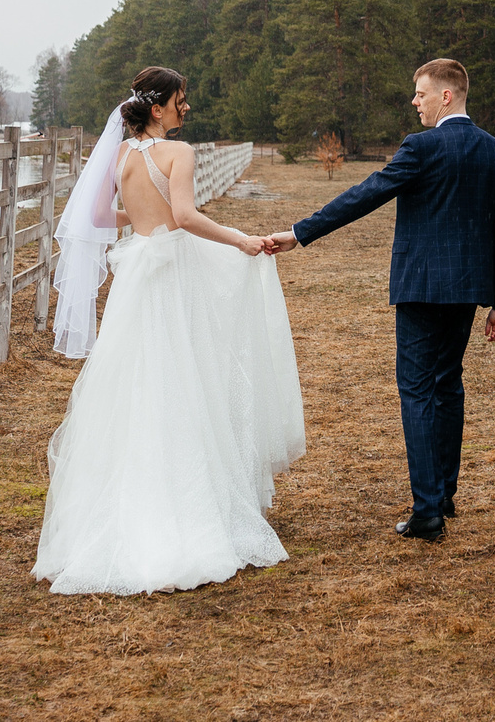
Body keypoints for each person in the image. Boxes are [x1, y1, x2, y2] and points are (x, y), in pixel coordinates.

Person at [32, 67, 304, 595]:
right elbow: (184, 216)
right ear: (158, 109)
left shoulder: (118, 155)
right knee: (183, 375)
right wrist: (240, 239)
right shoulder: (178, 153)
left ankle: (122, 510)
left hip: (136, 272)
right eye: (182, 100)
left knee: (135, 381)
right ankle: (188, 508)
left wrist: (138, 219)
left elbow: (97, 215)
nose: (187, 108)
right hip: (172, 272)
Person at [265, 58, 495, 541]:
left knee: (418, 390)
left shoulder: (421, 147)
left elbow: (366, 194)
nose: (414, 101)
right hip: (467, 289)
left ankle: (428, 512)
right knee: (448, 384)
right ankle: (443, 494)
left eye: (421, 93)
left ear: (446, 95)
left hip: (420, 288)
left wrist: (299, 233)